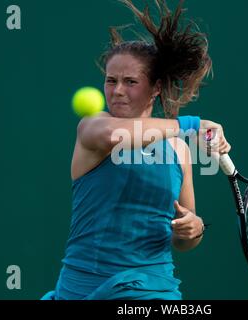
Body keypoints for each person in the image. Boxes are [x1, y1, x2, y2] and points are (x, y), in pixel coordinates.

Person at [42, 0, 231, 300]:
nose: (117, 90)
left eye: (130, 82)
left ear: (155, 88)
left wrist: (192, 229)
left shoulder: (178, 150)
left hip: (153, 290)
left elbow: (184, 233)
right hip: (82, 289)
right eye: (111, 80)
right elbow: (118, 136)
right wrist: (194, 124)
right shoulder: (93, 128)